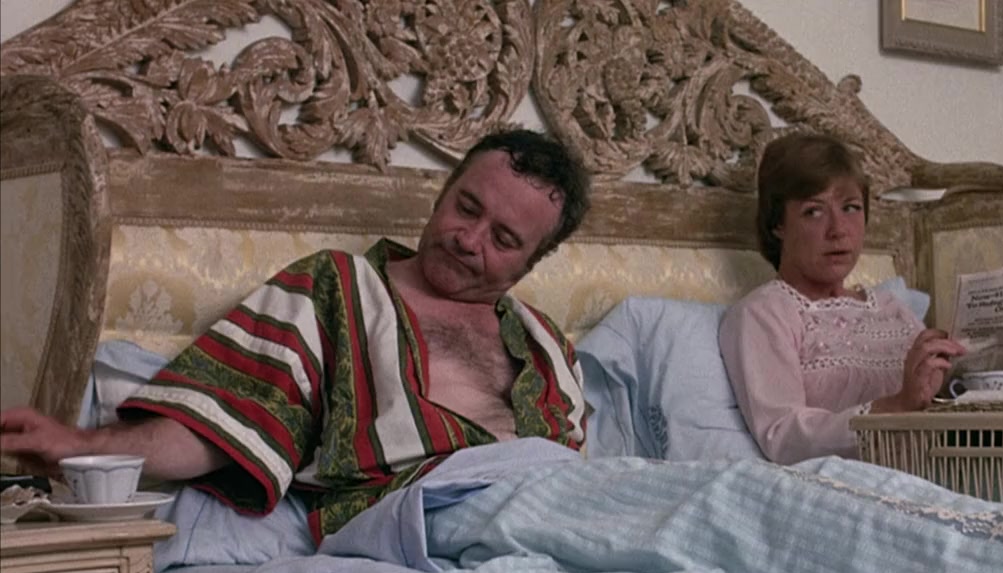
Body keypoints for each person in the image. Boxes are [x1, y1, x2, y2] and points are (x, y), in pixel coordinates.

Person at [0, 129, 591, 539]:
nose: (468, 239)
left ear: (530, 264)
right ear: (441, 195)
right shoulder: (337, 287)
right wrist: (84, 447)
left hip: (556, 516)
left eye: (503, 239)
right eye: (466, 208)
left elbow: (576, 478)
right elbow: (228, 420)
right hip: (428, 523)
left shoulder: (547, 346)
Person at [719, 132, 965, 465]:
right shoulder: (764, 313)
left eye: (851, 208)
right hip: (845, 481)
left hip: (942, 467)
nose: (838, 229)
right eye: (813, 212)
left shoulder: (892, 309)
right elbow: (783, 435)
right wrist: (895, 406)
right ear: (778, 224)